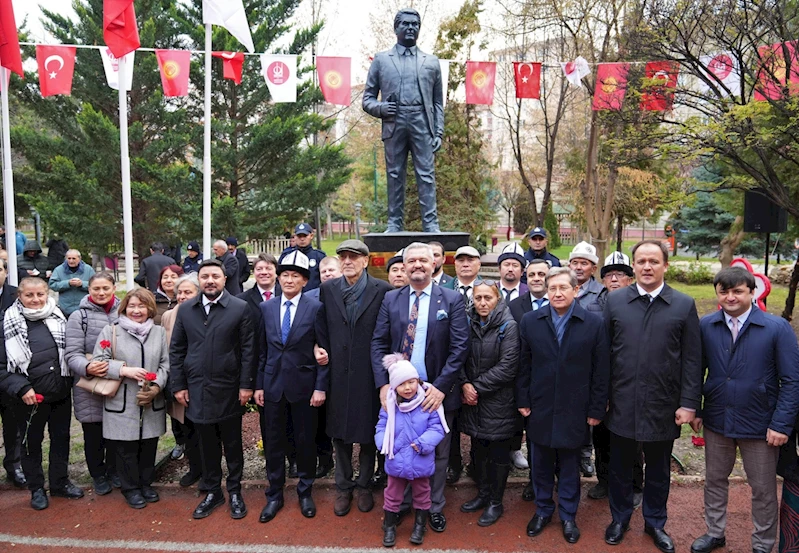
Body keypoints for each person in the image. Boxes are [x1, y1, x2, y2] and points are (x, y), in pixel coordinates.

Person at [690, 267, 799, 553]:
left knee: (762, 489)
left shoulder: (776, 328)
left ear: (752, 292)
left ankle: (762, 543)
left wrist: (781, 424)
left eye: (737, 291)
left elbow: (791, 380)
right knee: (714, 480)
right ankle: (715, 532)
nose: (730, 297)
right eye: (724, 291)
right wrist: (697, 408)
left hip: (761, 423)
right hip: (717, 418)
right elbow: (695, 371)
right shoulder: (707, 325)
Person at [603, 240, 702, 553]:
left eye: (653, 261)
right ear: (634, 266)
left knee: (658, 469)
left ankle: (655, 522)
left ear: (665, 266)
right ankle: (619, 518)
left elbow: (692, 360)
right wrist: (600, 398)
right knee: (619, 466)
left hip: (663, 403)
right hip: (621, 401)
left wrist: (689, 403)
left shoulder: (683, 305)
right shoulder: (615, 302)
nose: (647, 267)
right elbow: (604, 354)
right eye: (641, 261)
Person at [371, 242, 469, 533]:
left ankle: (433, 507)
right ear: (403, 265)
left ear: (434, 264)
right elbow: (378, 343)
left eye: (423, 261)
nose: (417, 265)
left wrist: (441, 387)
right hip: (399, 393)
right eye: (411, 260)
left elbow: (460, 347)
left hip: (434, 393)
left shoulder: (450, 299)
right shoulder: (391, 299)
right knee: (399, 447)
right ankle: (400, 505)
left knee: (436, 453)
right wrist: (382, 384)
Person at [518, 267, 610, 544]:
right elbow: (523, 364)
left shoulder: (593, 323)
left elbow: (601, 369)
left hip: (576, 406)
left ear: (576, 290)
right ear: (546, 292)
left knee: (570, 465)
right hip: (540, 404)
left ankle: (568, 515)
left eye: (563, 288)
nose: (557, 293)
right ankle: (543, 510)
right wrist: (522, 398)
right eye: (552, 288)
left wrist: (596, 408)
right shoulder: (530, 321)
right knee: (541, 463)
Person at [170, 259, 255, 521]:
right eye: (205, 276)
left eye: (215, 276)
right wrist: (179, 384)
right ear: (200, 281)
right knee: (206, 445)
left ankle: (235, 490)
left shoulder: (240, 308)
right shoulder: (186, 311)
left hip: (229, 388)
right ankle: (212, 491)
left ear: (224, 279)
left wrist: (246, 385)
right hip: (196, 389)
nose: (210, 280)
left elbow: (248, 350)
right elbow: (177, 349)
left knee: (232, 444)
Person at [317, 240, 393, 517]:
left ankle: (363, 485)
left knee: (367, 434)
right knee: (340, 434)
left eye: (353, 257)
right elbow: (320, 327)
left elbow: (386, 332)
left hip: (368, 374)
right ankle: (343, 487)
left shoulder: (382, 290)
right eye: (343, 257)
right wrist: (318, 348)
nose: (347, 261)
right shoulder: (327, 289)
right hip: (337, 373)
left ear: (365, 260)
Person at [255, 250, 326, 523]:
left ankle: (305, 491)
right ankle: (274, 494)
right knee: (274, 442)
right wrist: (259, 384)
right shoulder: (266, 308)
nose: (288, 279)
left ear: (304, 281)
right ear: (277, 278)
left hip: (304, 386)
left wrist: (320, 387)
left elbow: (322, 349)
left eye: (295, 276)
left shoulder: (315, 308)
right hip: (272, 386)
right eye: (284, 275)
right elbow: (262, 351)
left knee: (305, 440)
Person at [0, 277, 84, 510]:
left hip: (60, 393)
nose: (35, 299)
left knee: (61, 439)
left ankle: (60, 482)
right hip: (28, 397)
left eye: (40, 294)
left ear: (47, 294)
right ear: (20, 296)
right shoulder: (7, 322)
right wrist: (22, 387)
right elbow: (1, 366)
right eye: (29, 295)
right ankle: (37, 488)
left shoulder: (59, 316)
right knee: (31, 444)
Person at [363, 8, 444, 233]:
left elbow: (438, 103)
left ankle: (431, 224)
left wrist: (438, 132)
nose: (410, 28)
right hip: (394, 121)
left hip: (422, 122)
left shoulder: (432, 62)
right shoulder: (381, 60)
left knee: (426, 174)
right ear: (396, 28)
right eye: (406, 24)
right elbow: (367, 99)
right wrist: (382, 108)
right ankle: (394, 224)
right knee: (395, 174)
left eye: (414, 24)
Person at [91, 288, 168, 509]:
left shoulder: (159, 332)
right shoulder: (110, 331)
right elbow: (98, 361)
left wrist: (156, 385)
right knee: (126, 449)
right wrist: (123, 370)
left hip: (150, 399)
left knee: (149, 445)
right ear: (124, 308)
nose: (136, 311)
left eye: (141, 306)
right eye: (132, 306)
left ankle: (146, 484)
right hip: (122, 400)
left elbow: (166, 364)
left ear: (149, 309)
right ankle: (130, 489)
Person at [459, 281, 520, 527]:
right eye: (478, 298)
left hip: (498, 402)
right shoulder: (468, 323)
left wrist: (476, 387)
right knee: (478, 451)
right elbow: (458, 355)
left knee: (498, 454)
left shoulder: (509, 326)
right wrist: (464, 383)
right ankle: (482, 494)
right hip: (473, 401)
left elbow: (508, 366)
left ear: (498, 299)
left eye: (488, 298)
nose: (482, 303)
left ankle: (496, 501)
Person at [590, 251, 643, 507]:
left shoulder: (639, 304)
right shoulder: (594, 304)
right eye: (609, 275)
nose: (613, 279)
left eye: (620, 274)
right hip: (600, 380)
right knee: (600, 434)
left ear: (630, 279)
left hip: (630, 381)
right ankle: (604, 480)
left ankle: (634, 484)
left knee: (630, 437)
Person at [377, 354, 448, 547]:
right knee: (392, 494)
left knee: (422, 493)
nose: (408, 388)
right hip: (396, 458)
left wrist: (424, 443)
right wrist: (383, 442)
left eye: (412, 382)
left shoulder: (427, 403)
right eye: (402, 384)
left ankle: (419, 526)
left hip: (420, 458)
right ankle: (390, 526)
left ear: (418, 381)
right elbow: (382, 426)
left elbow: (437, 428)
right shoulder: (389, 405)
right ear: (394, 387)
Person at [65, 272, 121, 496]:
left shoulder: (124, 311)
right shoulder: (78, 317)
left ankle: (114, 470)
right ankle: (98, 474)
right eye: (96, 289)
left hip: (118, 379)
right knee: (93, 433)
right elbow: (72, 353)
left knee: (116, 432)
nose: (101, 293)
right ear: (89, 290)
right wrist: (86, 367)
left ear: (113, 288)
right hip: (90, 384)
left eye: (105, 288)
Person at [508, 258, 551, 502]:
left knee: (543, 437)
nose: (536, 278)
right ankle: (533, 482)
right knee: (526, 432)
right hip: (521, 379)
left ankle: (540, 480)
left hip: (549, 383)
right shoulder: (515, 305)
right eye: (532, 274)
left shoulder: (560, 305)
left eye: (541, 274)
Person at [441, 244, 481, 484]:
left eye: (470, 260)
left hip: (480, 363)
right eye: (461, 260)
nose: (465, 264)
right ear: (454, 264)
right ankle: (453, 464)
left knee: (479, 419)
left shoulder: (489, 289)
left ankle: (477, 465)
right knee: (451, 420)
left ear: (478, 263)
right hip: (451, 364)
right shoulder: (442, 289)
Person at [568, 241, 607, 478]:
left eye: (585, 263)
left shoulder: (600, 294)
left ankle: (585, 455)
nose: (579, 267)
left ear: (593, 268)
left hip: (589, 361)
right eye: (575, 263)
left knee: (587, 411)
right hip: (564, 359)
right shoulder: (561, 287)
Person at [160, 273, 203, 485]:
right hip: (179, 381)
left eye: (188, 292)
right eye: (180, 292)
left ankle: (209, 469)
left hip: (202, 382)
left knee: (204, 429)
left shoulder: (206, 313)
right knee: (186, 429)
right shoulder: (168, 316)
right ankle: (194, 468)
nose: (182, 296)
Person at [0, 259, 24, 488]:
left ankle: (14, 466)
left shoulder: (16, 297)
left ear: (5, 272)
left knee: (13, 425)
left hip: (10, 373)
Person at [278, 223, 326, 291]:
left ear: (311, 236)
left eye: (305, 236)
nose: (302, 239)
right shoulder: (287, 255)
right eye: (299, 236)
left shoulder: (319, 256)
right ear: (295, 236)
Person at [48, 249, 95, 317]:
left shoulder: (88, 269)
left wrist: (82, 284)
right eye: (69, 258)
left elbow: (96, 286)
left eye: (74, 258)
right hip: (65, 308)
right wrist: (67, 283)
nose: (71, 261)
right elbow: (52, 285)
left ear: (79, 258)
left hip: (84, 307)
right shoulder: (59, 270)